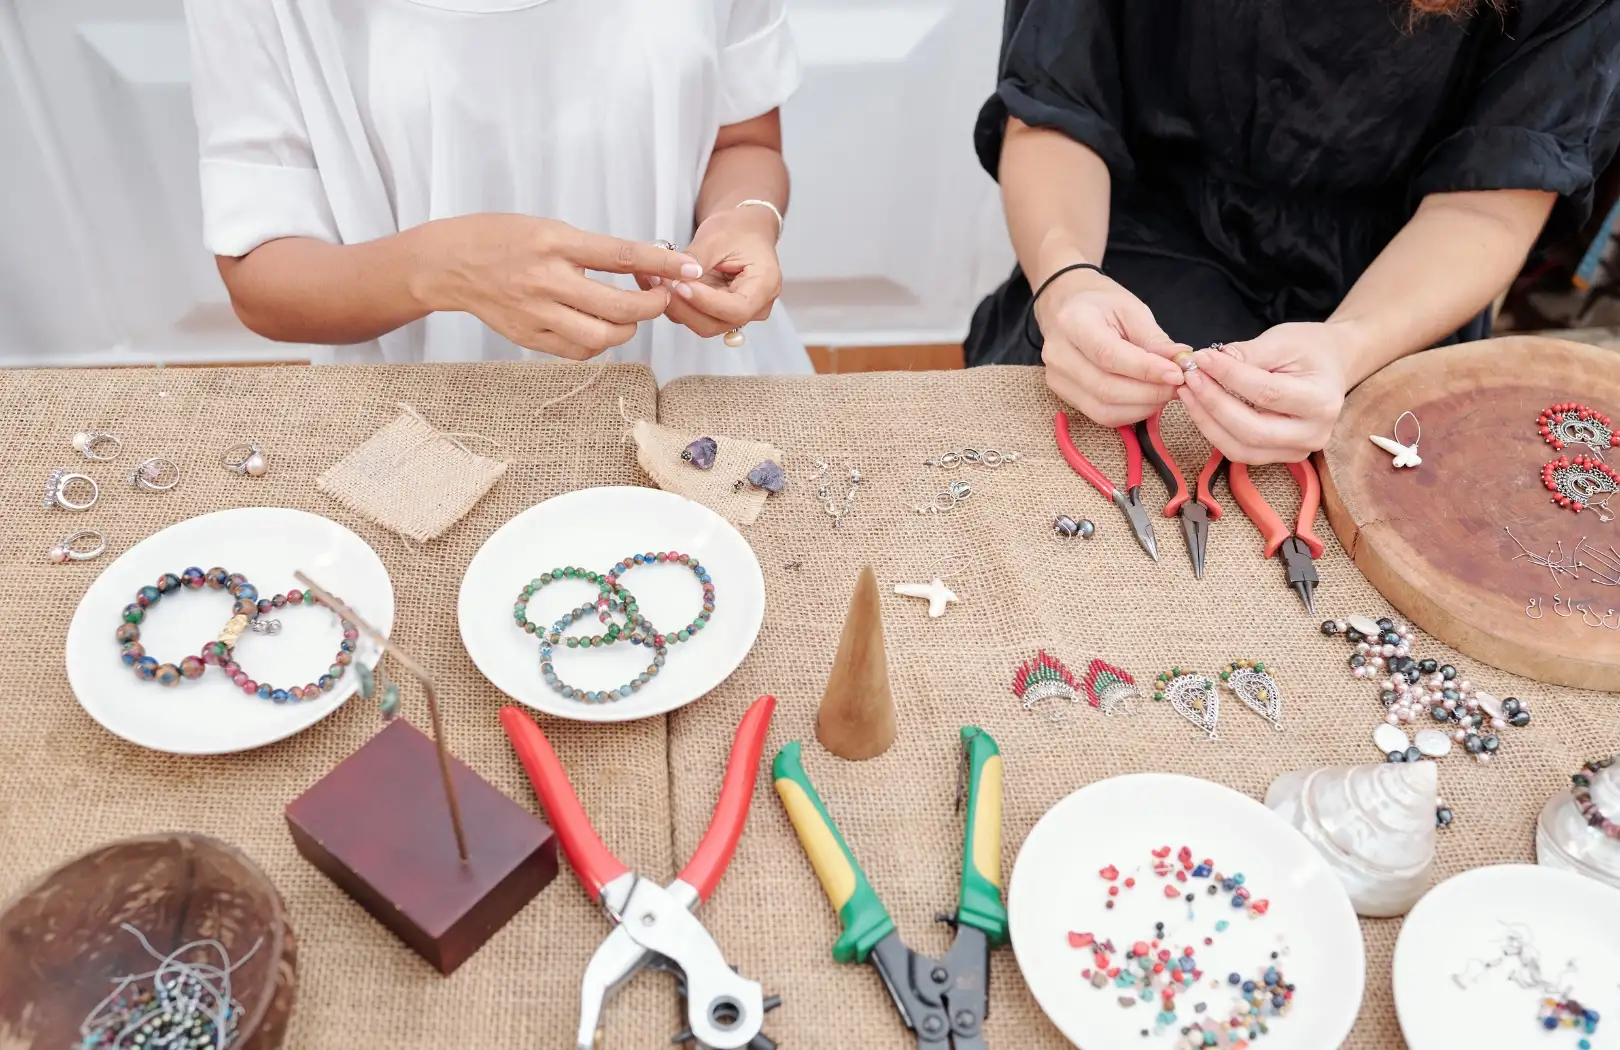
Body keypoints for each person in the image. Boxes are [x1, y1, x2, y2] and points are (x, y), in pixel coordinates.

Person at [968, 0, 1620, 464]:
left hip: (1394, 306)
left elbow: (1486, 207)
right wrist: (1066, 279)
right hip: (1129, 255)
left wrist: (1349, 345)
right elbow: (1054, 109)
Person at [183, 0, 811, 383]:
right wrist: (436, 269)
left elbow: (743, 139)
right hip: (426, 417)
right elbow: (260, 279)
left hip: (695, 375)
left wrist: (747, 218)